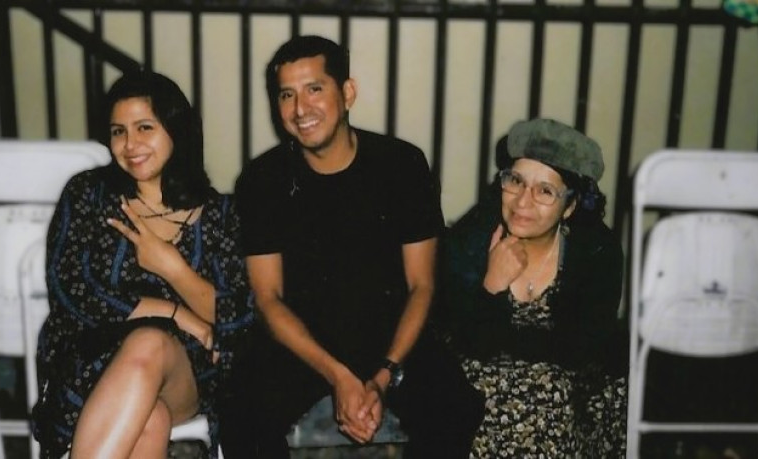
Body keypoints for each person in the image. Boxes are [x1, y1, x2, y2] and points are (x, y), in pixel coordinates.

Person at [219, 35, 484, 458]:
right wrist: (338, 376)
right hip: (304, 343)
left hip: (389, 336)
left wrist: (383, 376)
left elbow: (422, 286)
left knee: (452, 407)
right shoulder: (263, 179)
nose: (300, 109)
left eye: (314, 89)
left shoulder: (401, 164)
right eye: (286, 95)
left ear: (347, 93)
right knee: (241, 413)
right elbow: (269, 300)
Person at [31, 70, 254, 459]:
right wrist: (177, 313)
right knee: (148, 422)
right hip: (89, 365)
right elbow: (71, 292)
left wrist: (172, 268)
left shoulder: (220, 214)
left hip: (183, 373)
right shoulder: (89, 194)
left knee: (149, 342)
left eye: (144, 127)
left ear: (176, 130)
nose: (129, 144)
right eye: (118, 131)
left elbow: (236, 319)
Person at [439, 118, 628, 457]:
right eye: (515, 181)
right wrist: (491, 287)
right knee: (480, 401)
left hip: (571, 378)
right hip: (482, 372)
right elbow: (471, 342)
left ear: (570, 206)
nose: (522, 202)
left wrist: (525, 360)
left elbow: (581, 349)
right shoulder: (471, 240)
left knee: (553, 397)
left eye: (545, 191)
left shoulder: (597, 251)